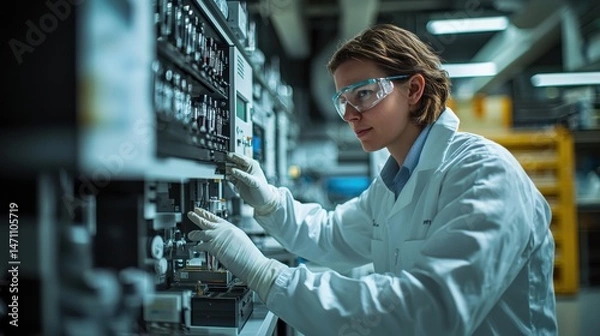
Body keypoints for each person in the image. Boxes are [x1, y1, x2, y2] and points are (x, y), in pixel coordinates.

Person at [187, 23, 557, 335]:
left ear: (413, 90)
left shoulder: (484, 173)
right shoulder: (394, 184)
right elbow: (332, 235)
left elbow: (431, 309)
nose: (350, 114)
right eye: (342, 100)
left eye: (363, 94)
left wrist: (267, 275)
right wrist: (269, 201)